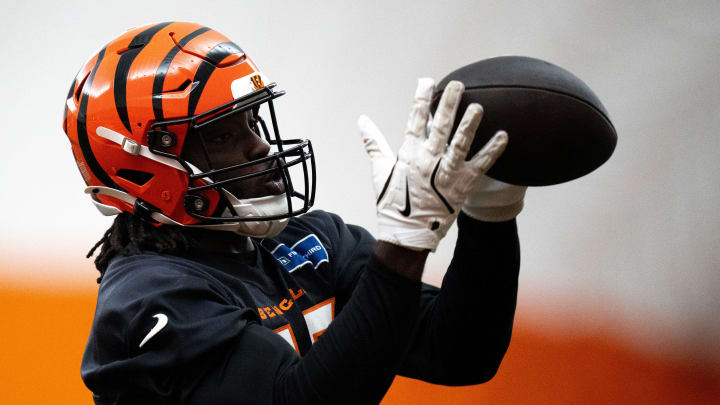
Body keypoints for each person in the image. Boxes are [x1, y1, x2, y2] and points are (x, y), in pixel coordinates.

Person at [63, 22, 527, 404]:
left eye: (251, 120)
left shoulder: (311, 241)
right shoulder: (148, 297)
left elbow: (461, 353)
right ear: (148, 168)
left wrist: (491, 213)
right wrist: (401, 250)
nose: (261, 147)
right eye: (221, 136)